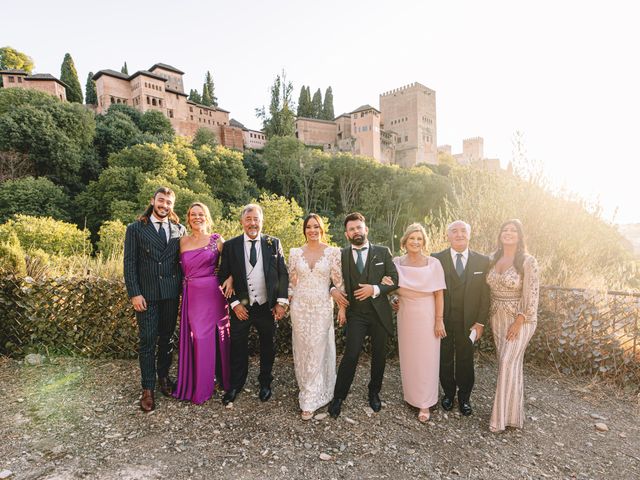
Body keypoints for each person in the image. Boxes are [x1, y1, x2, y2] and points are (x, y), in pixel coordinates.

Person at [217, 203, 289, 406]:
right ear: (242, 222)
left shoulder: (273, 243)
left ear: (262, 221)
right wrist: (234, 304)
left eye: (256, 219)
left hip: (267, 307)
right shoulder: (231, 246)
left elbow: (283, 273)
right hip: (242, 307)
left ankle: (265, 382)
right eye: (248, 219)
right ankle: (235, 385)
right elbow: (222, 276)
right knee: (237, 347)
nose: (252, 223)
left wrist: (281, 303)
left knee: (269, 346)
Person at [328, 212, 398, 419]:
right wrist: (333, 291)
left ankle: (374, 392)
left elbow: (395, 279)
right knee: (350, 355)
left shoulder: (383, 252)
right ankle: (339, 396)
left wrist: (375, 289)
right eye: (351, 229)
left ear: (366, 229)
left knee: (379, 357)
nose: (356, 231)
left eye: (359, 227)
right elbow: (332, 280)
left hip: (379, 314)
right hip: (356, 314)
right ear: (346, 234)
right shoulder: (341, 255)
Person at [124, 186, 186, 412]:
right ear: (153, 201)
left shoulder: (179, 229)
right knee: (148, 341)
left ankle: (163, 378)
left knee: (167, 339)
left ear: (172, 205)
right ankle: (147, 388)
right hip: (146, 295)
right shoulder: (136, 229)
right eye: (161, 201)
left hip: (170, 293)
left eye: (169, 203)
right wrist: (134, 293)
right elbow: (129, 264)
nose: (164, 206)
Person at [288, 214, 346, 420]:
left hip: (322, 306)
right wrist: (286, 302)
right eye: (308, 227)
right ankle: (306, 386)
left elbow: (339, 284)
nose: (312, 230)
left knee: (318, 347)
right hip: (300, 307)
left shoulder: (333, 252)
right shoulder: (295, 253)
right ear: (304, 230)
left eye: (316, 227)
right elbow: (291, 282)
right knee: (303, 348)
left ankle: (311, 398)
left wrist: (342, 308)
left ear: (322, 229)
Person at [173, 202, 231, 405]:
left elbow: (231, 264)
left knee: (218, 335)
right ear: (188, 218)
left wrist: (230, 278)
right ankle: (200, 384)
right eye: (193, 214)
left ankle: (223, 380)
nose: (197, 217)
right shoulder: (181, 242)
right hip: (192, 294)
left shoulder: (217, 240)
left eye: (201, 214)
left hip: (214, 293)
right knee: (198, 336)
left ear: (207, 217)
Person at [432, 220, 490, 416]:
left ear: (469, 235)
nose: (459, 234)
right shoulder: (436, 259)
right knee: (445, 358)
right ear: (448, 236)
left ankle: (464, 398)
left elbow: (485, 295)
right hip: (444, 319)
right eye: (454, 231)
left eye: (463, 231)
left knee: (466, 360)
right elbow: (429, 289)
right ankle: (448, 394)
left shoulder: (482, 261)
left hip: (469, 322)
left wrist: (481, 322)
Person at [486, 219, 539, 433]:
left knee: (508, 361)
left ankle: (498, 420)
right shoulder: (492, 258)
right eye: (505, 229)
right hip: (496, 316)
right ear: (500, 235)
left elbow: (533, 296)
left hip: (521, 319)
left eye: (513, 230)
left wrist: (519, 321)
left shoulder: (528, 261)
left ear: (520, 235)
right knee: (508, 365)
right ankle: (514, 416)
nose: (508, 233)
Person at [392, 223, 446, 423]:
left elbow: (439, 294)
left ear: (424, 242)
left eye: (419, 239)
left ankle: (425, 402)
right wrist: (394, 301)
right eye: (412, 238)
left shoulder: (433, 263)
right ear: (405, 241)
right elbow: (389, 288)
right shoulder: (396, 262)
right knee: (409, 357)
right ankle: (412, 396)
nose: (415, 242)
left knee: (427, 358)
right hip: (406, 314)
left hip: (427, 313)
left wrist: (439, 320)